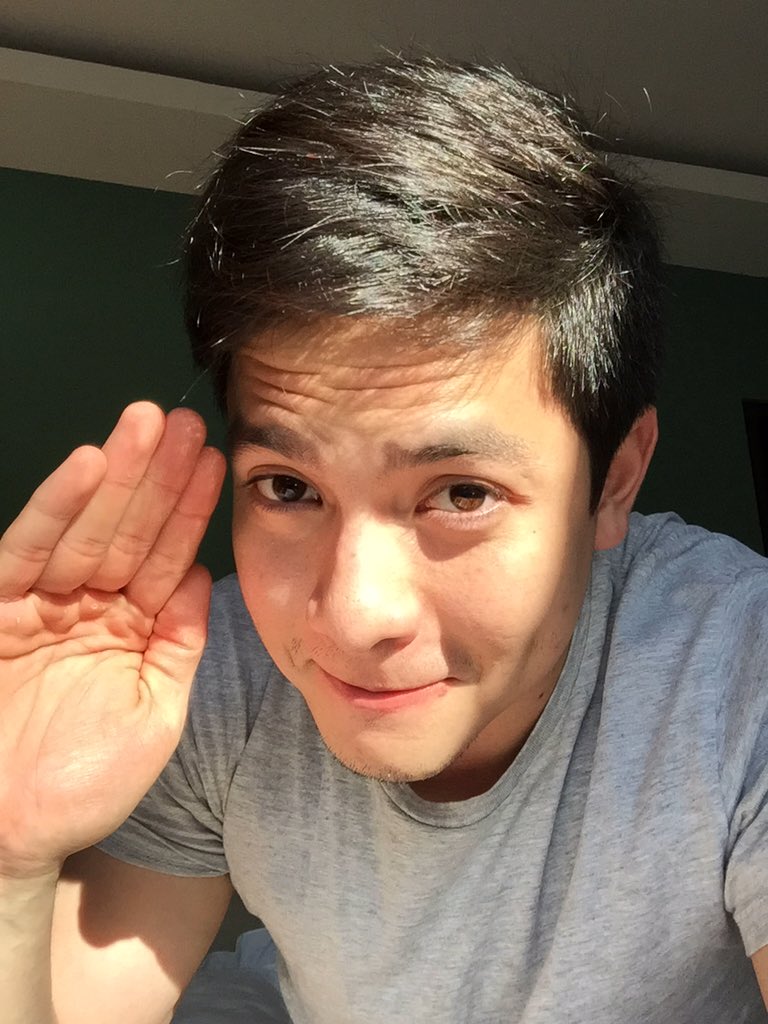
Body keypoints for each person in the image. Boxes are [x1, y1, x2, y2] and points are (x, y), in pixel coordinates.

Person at [1, 55, 766, 1024]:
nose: (354, 615)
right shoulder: (210, 675)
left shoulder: (738, 667)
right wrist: (11, 853)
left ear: (613, 479)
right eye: (289, 488)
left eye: (461, 493)